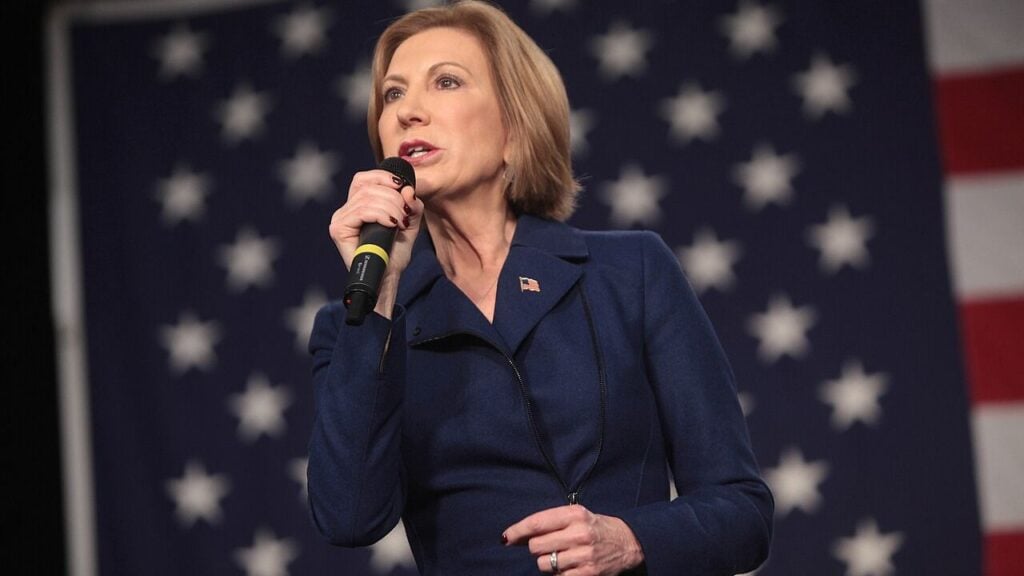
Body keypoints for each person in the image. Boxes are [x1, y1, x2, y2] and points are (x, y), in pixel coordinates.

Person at [306, 1, 773, 574]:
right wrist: (380, 297)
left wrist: (629, 539)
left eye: (446, 82)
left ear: (515, 124)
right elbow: (349, 518)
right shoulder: (354, 325)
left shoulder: (631, 272)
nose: (407, 112)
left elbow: (742, 512)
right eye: (393, 94)